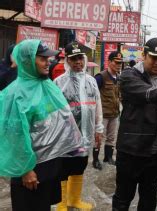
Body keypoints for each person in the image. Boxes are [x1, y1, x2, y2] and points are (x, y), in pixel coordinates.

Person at [0, 39, 82, 211]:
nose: (48, 62)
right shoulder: (15, 93)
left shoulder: (46, 85)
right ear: (28, 61)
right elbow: (14, 136)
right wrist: (25, 170)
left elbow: (59, 117)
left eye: (48, 58)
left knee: (44, 206)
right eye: (42, 58)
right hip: (30, 171)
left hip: (49, 166)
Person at [113, 37, 157, 211]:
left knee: (149, 197)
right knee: (123, 197)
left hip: (155, 154)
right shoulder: (130, 75)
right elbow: (143, 91)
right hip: (131, 150)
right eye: (153, 57)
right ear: (144, 55)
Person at [54, 41, 104, 210]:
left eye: (80, 58)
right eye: (73, 59)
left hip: (86, 135)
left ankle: (74, 200)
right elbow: (51, 109)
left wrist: (99, 128)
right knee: (63, 169)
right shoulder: (58, 82)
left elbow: (97, 105)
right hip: (65, 136)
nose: (78, 62)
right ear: (67, 60)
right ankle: (61, 203)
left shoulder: (91, 81)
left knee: (79, 166)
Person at [92, 51, 122, 170]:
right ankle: (95, 159)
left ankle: (108, 157)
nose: (119, 65)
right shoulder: (100, 77)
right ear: (109, 62)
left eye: (120, 63)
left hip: (114, 113)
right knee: (98, 137)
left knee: (111, 137)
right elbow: (93, 95)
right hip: (102, 114)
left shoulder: (119, 78)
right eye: (116, 62)